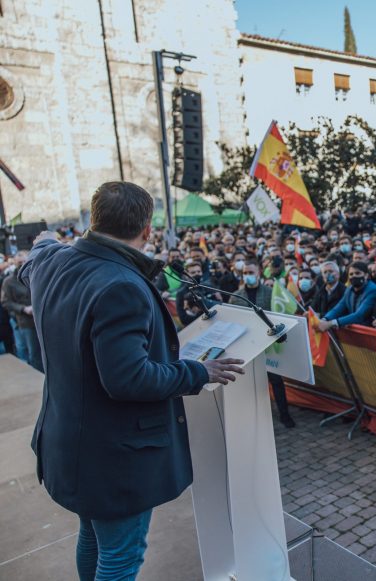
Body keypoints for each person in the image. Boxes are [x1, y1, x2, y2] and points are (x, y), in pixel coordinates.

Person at [19, 182, 244, 579]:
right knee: (121, 556)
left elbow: (39, 250)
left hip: (70, 443)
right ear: (147, 231)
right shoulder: (121, 286)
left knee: (93, 538)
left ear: (93, 218)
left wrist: (46, 239)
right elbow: (128, 379)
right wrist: (198, 372)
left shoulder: (49, 263)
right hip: (112, 455)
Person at [228, 262, 295, 429]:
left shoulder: (270, 292)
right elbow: (233, 319)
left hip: (268, 343)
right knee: (250, 382)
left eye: (251, 271)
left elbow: (277, 314)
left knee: (276, 380)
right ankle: (254, 417)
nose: (247, 274)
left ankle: (284, 415)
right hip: (247, 344)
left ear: (258, 273)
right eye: (245, 272)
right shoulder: (237, 295)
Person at [1, 250, 42, 371]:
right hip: (25, 321)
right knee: (29, 352)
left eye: (25, 261)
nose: (22, 264)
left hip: (42, 320)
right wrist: (24, 309)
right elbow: (6, 302)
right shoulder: (8, 281)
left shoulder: (37, 275)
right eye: (20, 262)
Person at [318, 262, 376, 331]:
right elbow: (338, 308)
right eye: (351, 274)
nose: (354, 276)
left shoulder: (373, 290)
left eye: (357, 273)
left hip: (369, 331)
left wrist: (331, 323)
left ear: (366, 275)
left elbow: (359, 315)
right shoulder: (349, 289)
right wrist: (324, 319)